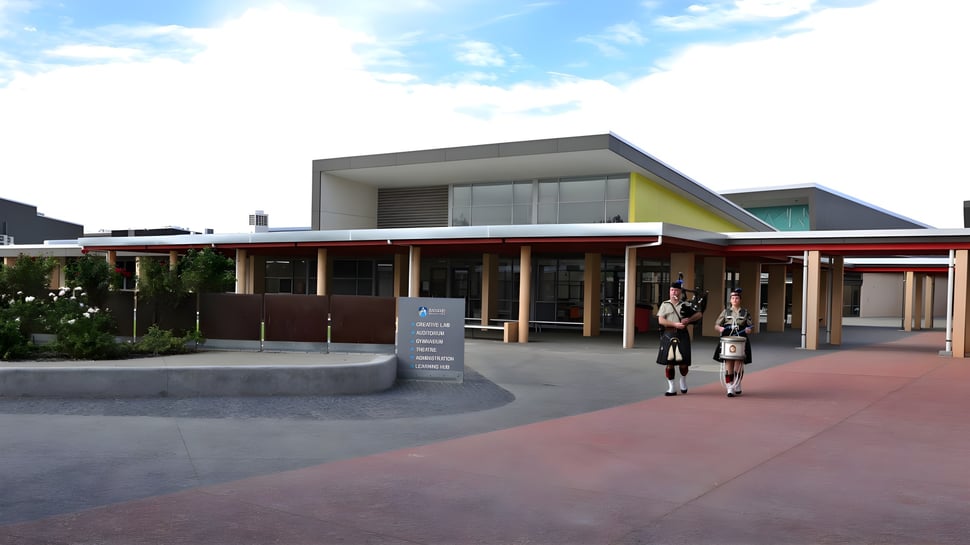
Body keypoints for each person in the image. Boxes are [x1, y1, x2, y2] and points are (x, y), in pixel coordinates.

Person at [656, 280, 702, 396]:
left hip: (682, 334)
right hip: (668, 334)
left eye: (676, 290)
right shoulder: (665, 304)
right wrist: (675, 324)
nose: (673, 292)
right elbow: (661, 320)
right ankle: (671, 387)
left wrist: (689, 320)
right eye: (672, 290)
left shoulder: (685, 304)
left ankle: (683, 380)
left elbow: (699, 314)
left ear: (680, 292)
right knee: (669, 362)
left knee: (683, 362)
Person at [713, 288, 754, 397]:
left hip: (740, 339)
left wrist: (748, 329)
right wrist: (720, 329)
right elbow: (717, 325)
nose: (734, 300)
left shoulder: (745, 312)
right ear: (730, 300)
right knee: (728, 362)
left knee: (738, 363)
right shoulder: (725, 312)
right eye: (732, 298)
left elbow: (750, 325)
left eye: (736, 298)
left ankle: (737, 382)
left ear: (740, 300)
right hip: (728, 339)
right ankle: (730, 386)